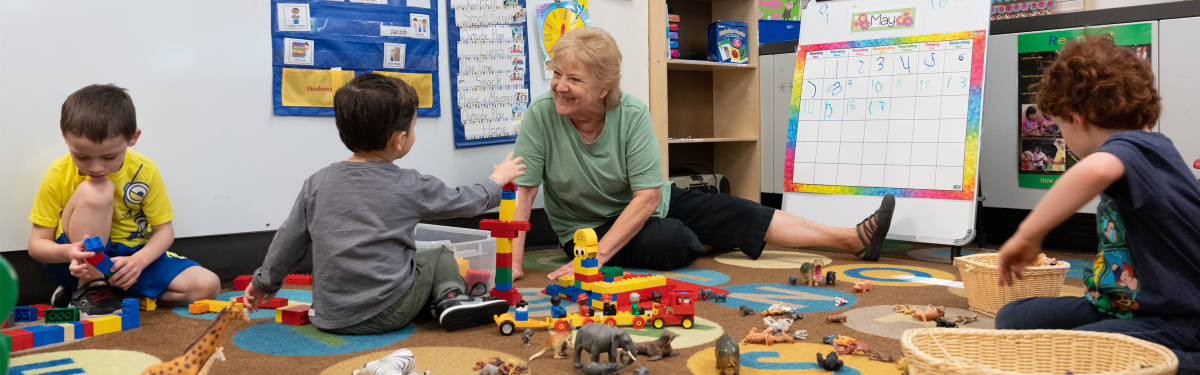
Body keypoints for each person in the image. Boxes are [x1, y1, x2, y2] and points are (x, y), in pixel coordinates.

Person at [509, 28, 896, 281]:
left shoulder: (631, 113)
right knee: (671, 241)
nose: (559, 85)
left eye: (573, 79)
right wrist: (516, 261)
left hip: (648, 205)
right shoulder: (542, 115)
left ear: (604, 88)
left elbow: (647, 196)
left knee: (738, 210)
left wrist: (598, 260)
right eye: (556, 73)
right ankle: (710, 238)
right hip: (587, 231)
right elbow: (524, 191)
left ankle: (852, 238)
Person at [242, 73, 526, 334]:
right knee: (438, 255)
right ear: (399, 140)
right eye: (413, 127)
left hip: (329, 315)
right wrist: (496, 181)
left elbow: (288, 242)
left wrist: (263, 284)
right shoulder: (409, 183)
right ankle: (450, 297)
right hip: (389, 311)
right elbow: (465, 202)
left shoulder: (316, 183)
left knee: (414, 261)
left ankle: (437, 300)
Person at [994, 36, 1200, 372]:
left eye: (1059, 126)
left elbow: (1095, 171)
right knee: (1013, 319)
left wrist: (1026, 236)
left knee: (1078, 358)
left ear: (1078, 118)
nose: (1064, 136)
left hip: (1176, 318)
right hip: (1114, 303)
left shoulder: (1140, 148)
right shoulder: (1140, 149)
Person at [27, 84, 220, 315]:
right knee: (97, 189)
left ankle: (116, 295)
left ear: (133, 138)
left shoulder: (145, 170)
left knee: (207, 286)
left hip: (130, 256)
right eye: (81, 156)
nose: (96, 167)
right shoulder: (58, 172)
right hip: (77, 261)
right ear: (65, 139)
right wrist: (70, 252)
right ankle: (90, 287)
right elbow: (37, 245)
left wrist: (138, 261)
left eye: (109, 156)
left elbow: (164, 231)